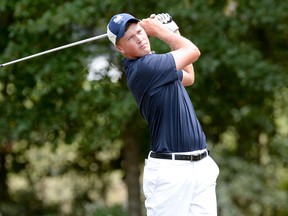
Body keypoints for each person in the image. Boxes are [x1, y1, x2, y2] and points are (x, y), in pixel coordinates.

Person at [107, 12, 220, 216]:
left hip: (200, 165)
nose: (140, 38)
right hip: (171, 172)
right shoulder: (144, 69)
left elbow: (189, 76)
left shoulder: (157, 66)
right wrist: (160, 31)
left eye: (140, 32)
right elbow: (192, 51)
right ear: (120, 48)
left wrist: (172, 29)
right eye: (131, 37)